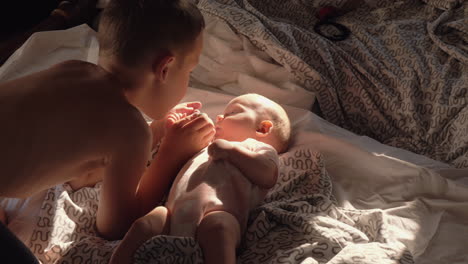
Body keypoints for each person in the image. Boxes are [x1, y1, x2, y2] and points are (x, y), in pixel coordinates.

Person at [0, 0, 212, 261]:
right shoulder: (130, 130)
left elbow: (86, 152)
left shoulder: (74, 69)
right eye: (190, 71)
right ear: (165, 69)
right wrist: (171, 152)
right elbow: (115, 225)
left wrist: (157, 130)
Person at [110, 93, 291, 264]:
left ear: (262, 128)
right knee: (143, 225)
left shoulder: (257, 148)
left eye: (233, 112)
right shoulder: (205, 146)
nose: (219, 117)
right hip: (172, 216)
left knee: (219, 228)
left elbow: (268, 175)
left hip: (218, 213)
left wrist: (231, 151)